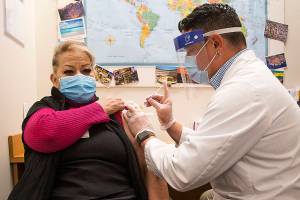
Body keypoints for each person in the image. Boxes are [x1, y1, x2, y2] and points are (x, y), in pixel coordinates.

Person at [123, 4, 300, 200]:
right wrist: (170, 123)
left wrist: (144, 133)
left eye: (192, 51)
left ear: (215, 43)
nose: (191, 61)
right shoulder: (250, 77)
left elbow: (183, 173)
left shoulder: (243, 90)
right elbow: (214, 143)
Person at [8, 41, 168, 200]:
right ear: (55, 79)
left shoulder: (116, 114)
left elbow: (149, 166)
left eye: (86, 71)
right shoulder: (46, 108)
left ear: (94, 75)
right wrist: (99, 109)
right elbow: (43, 133)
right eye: (69, 72)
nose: (79, 76)